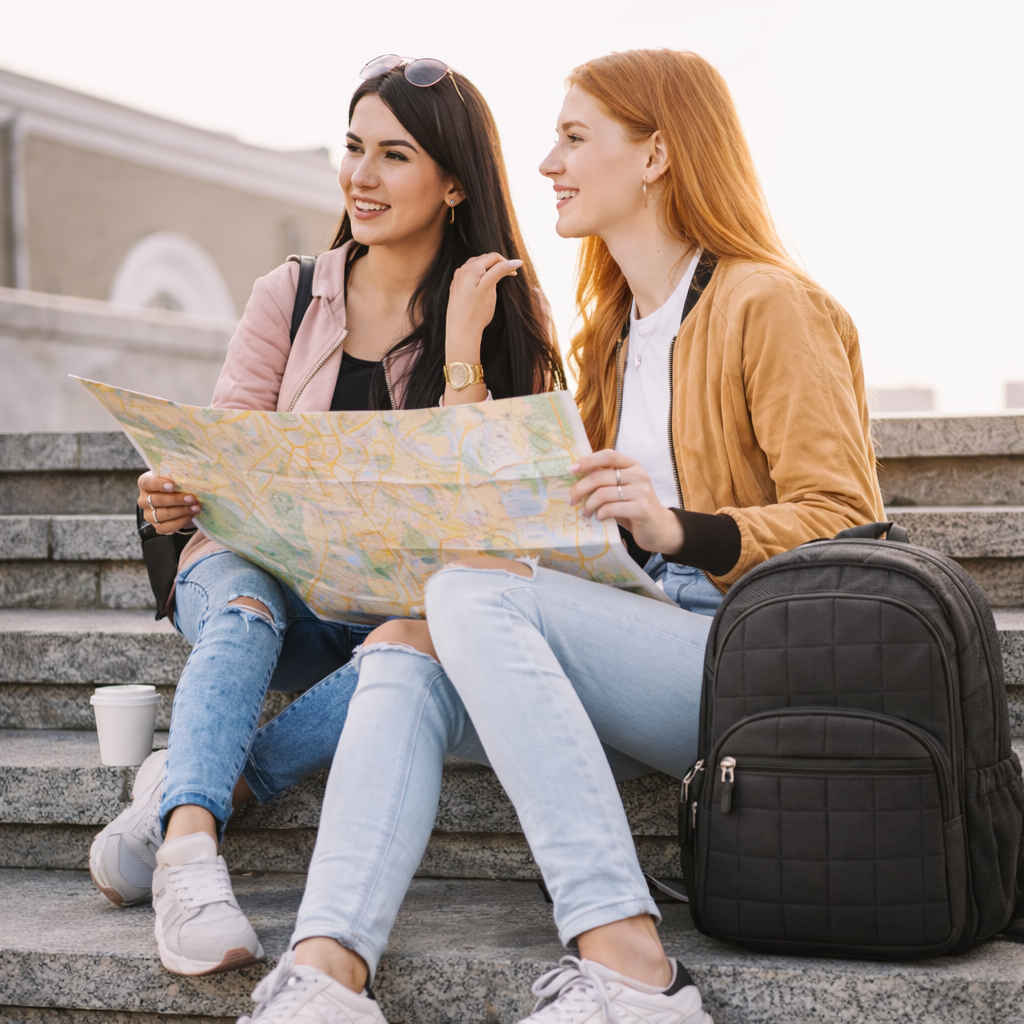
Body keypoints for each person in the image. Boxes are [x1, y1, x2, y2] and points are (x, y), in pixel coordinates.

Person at [238, 48, 885, 1024]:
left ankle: (633, 970)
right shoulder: (611, 334)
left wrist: (681, 527)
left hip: (750, 671)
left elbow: (847, 522)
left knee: (464, 594)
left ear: (659, 154)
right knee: (410, 647)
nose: (546, 161)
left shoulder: (769, 303)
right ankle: (326, 973)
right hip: (643, 646)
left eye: (576, 137)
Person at [88, 54, 561, 979]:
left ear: (455, 181)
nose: (361, 177)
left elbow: (488, 519)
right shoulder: (292, 292)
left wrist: (462, 349)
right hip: (250, 572)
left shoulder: (504, 315)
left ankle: (202, 782)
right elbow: (222, 452)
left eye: (393, 155)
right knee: (244, 600)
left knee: (432, 635)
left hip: (378, 608)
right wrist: (172, 490)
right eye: (352, 149)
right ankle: (188, 854)